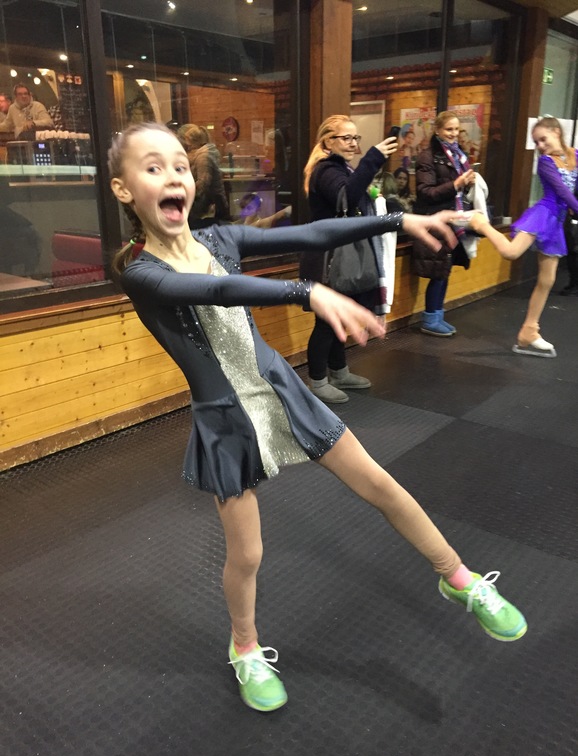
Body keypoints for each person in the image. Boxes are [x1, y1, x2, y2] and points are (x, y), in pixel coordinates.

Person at [108, 122, 527, 713]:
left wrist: (398, 221)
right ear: (124, 189)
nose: (173, 176)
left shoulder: (219, 237)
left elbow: (313, 230)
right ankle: (245, 647)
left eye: (179, 165)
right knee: (248, 555)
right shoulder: (139, 271)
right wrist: (306, 292)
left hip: (282, 390)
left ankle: (459, 577)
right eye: (153, 168)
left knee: (380, 482)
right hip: (225, 418)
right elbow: (217, 291)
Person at [300, 114, 398, 404]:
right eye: (346, 138)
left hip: (335, 255)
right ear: (327, 141)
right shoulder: (326, 169)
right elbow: (346, 197)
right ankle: (318, 381)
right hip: (328, 259)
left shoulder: (341, 167)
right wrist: (373, 159)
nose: (353, 143)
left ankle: (339, 371)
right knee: (327, 322)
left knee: (338, 318)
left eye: (356, 138)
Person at [467, 116, 578, 357]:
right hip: (543, 214)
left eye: (543, 139)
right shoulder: (546, 162)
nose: (540, 146)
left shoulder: (575, 155)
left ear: (557, 132)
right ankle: (481, 223)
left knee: (547, 280)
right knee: (511, 252)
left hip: (556, 221)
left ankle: (529, 330)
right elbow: (561, 191)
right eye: (536, 142)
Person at [412, 110, 477, 337]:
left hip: (453, 219)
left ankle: (437, 315)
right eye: (449, 129)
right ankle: (430, 318)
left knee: (445, 271)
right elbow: (426, 192)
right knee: (438, 272)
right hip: (436, 221)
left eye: (456, 129)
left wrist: (468, 184)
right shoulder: (427, 156)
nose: (453, 133)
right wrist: (457, 184)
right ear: (437, 130)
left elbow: (458, 190)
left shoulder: (458, 154)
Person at [177, 123, 230, 226]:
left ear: (190, 141)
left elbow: (203, 184)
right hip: (212, 204)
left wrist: (187, 195)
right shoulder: (203, 154)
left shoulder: (204, 156)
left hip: (210, 207)